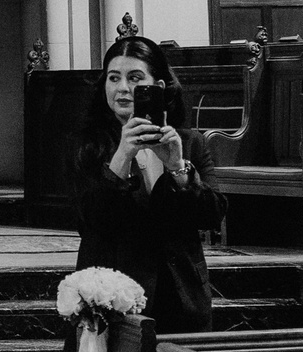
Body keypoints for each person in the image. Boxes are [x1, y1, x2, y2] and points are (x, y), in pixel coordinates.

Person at [72, 34, 224, 335]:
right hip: (112, 301)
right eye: (114, 78)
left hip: (180, 298)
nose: (123, 88)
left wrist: (177, 168)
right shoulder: (86, 145)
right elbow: (88, 220)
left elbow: (213, 214)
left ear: (158, 87)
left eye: (135, 78)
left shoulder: (189, 143)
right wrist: (122, 156)